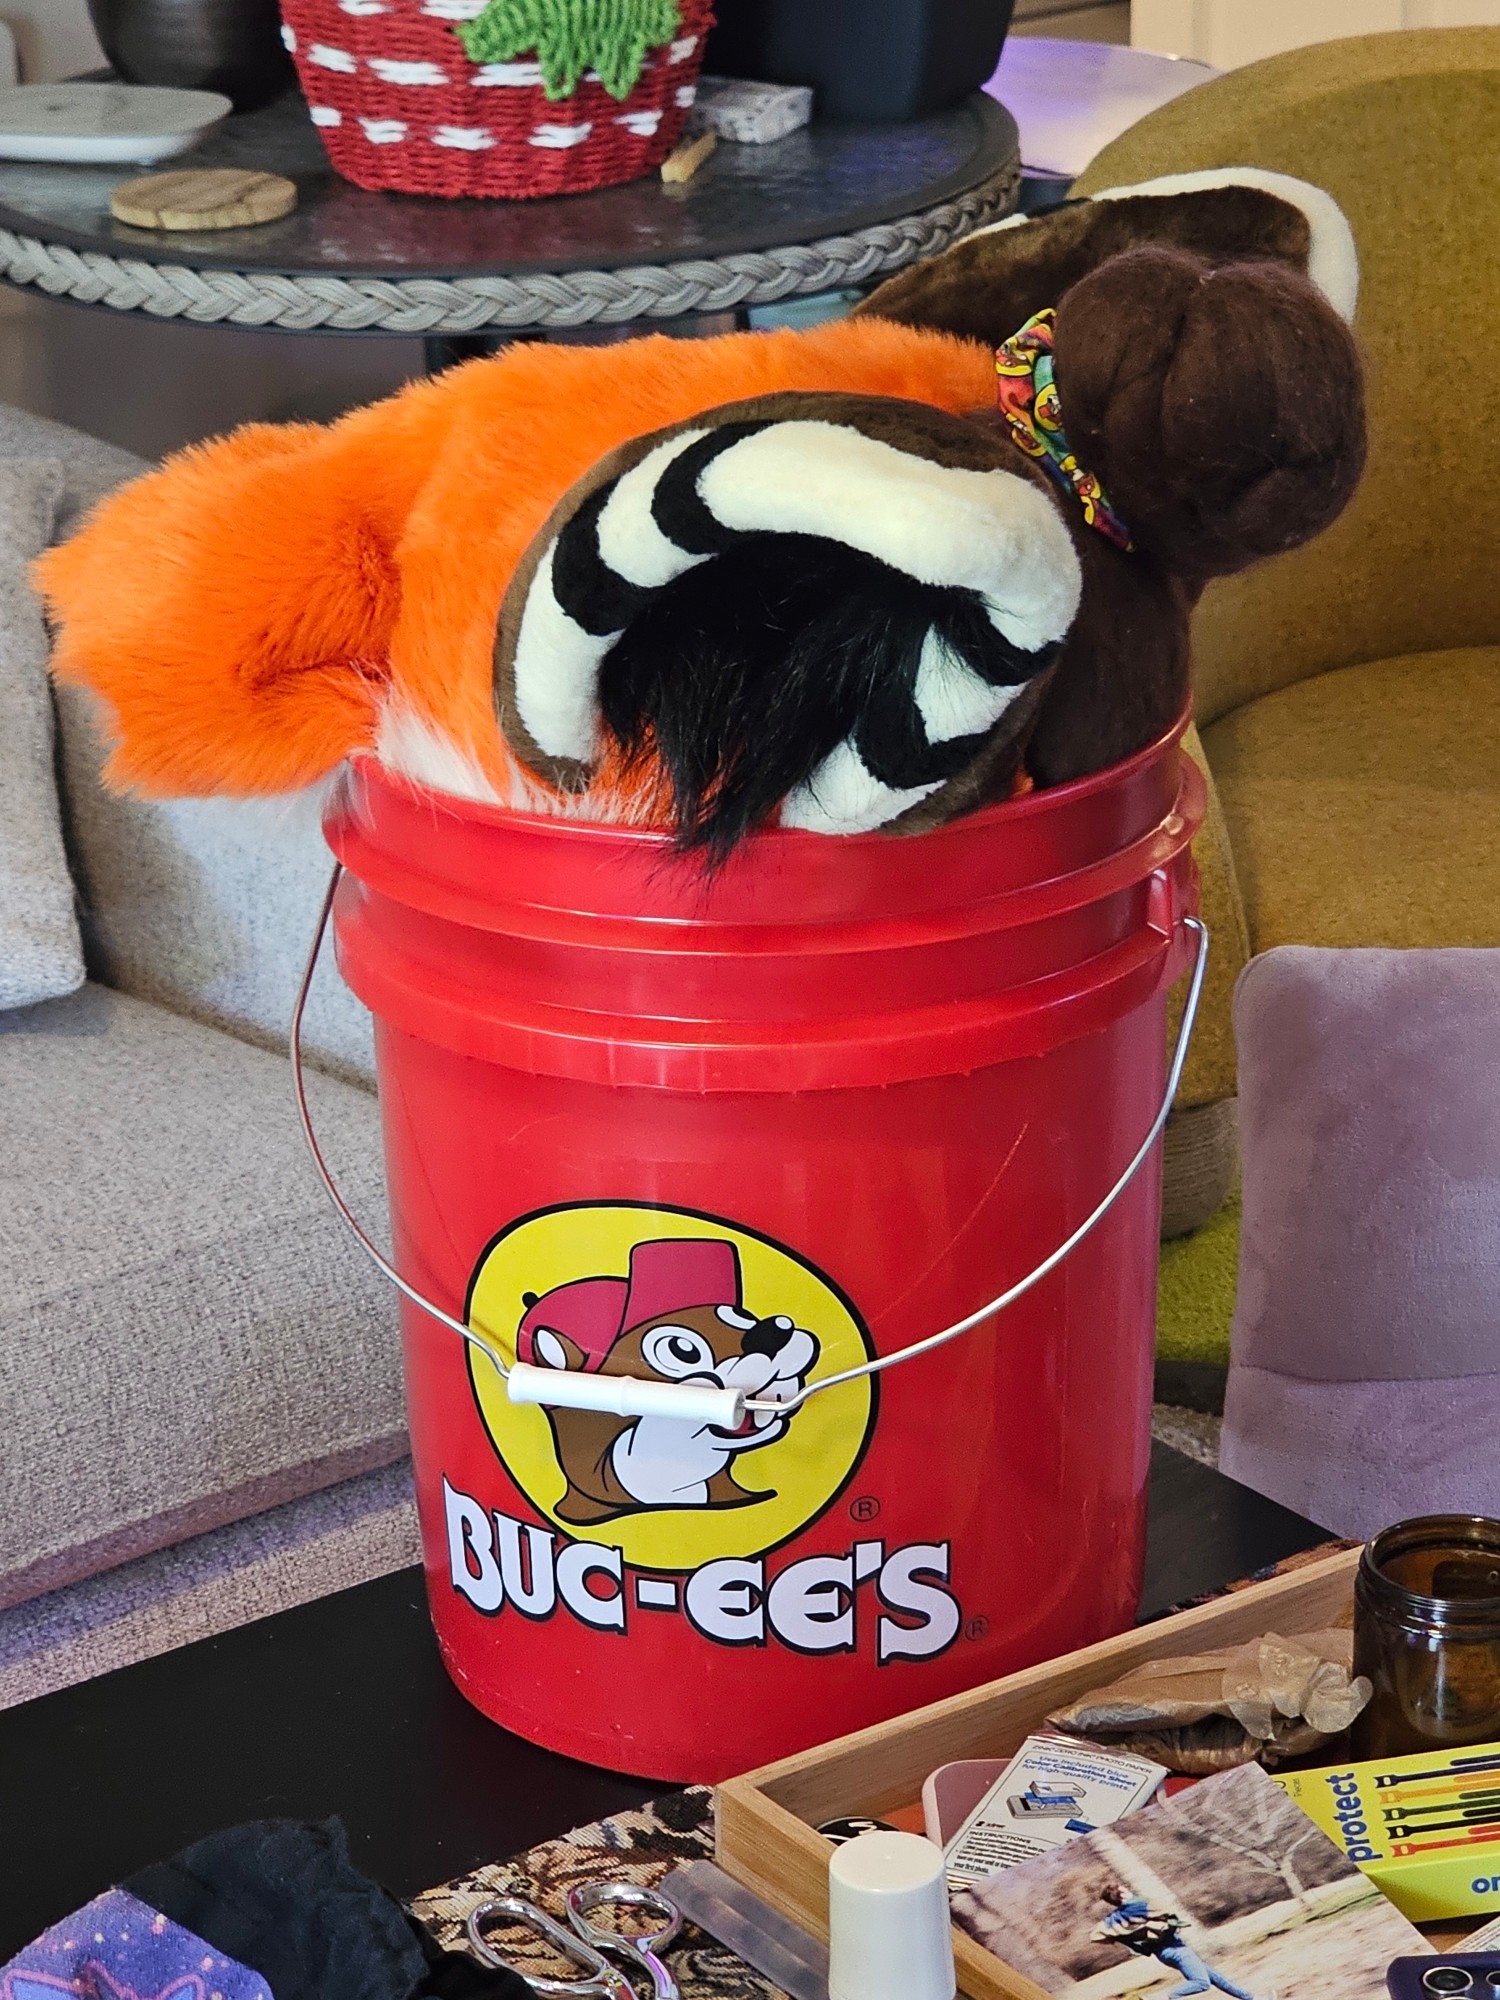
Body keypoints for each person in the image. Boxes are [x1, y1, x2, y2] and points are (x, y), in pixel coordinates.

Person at [1092, 1883, 1264, 1999]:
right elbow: (1167, 1912)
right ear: (1122, 1894)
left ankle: (1252, 1998)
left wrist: (1124, 1934)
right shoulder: (1139, 1903)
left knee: (1215, 1977)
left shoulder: (1116, 1918)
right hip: (1177, 1950)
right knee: (1202, 1983)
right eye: (1125, 1889)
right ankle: (1157, 1997)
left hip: (1163, 1954)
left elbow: (1096, 1935)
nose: (1129, 1890)